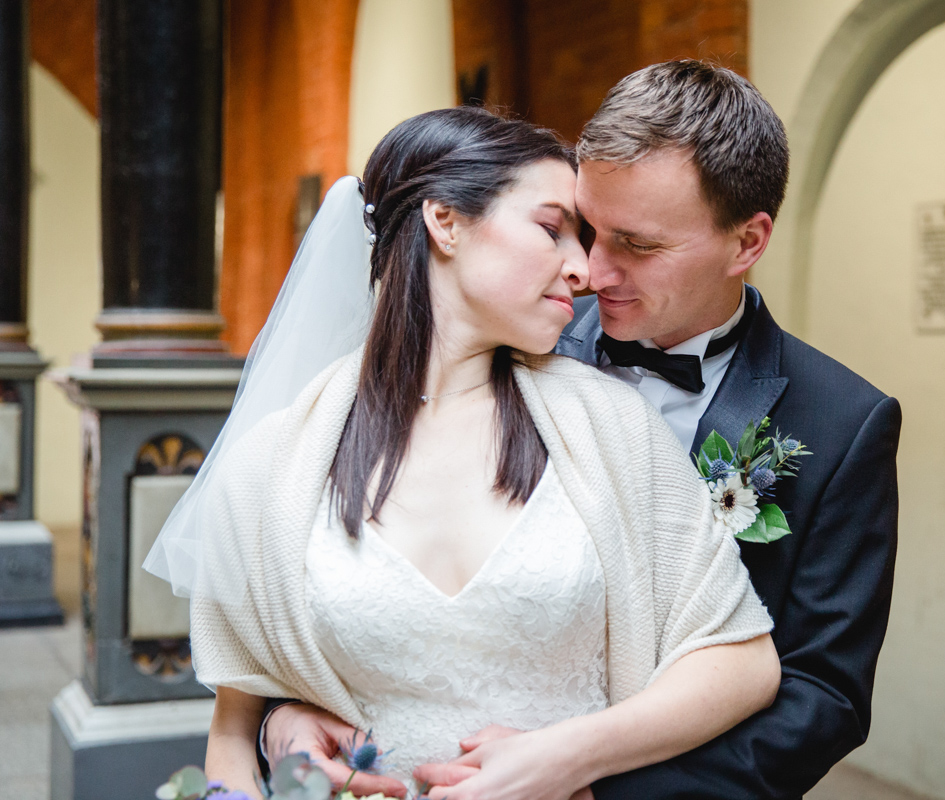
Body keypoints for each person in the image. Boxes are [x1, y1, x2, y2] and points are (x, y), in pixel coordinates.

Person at [264, 60, 902, 799]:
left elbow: (822, 697)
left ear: (747, 243)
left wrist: (589, 781)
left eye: (636, 244)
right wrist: (283, 711)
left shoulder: (842, 422)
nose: (592, 271)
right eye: (585, 227)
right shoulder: (506, 339)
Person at [146, 105, 781, 799]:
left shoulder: (610, 425)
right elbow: (234, 732)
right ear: (445, 220)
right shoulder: (274, 464)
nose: (585, 270)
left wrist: (570, 757)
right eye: (552, 229)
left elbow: (741, 659)